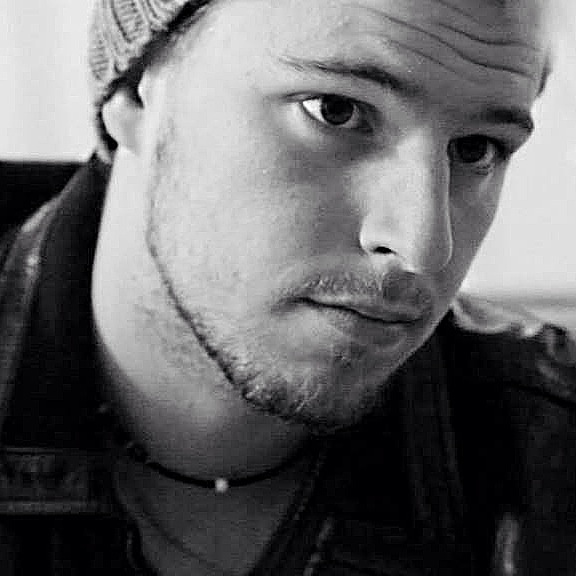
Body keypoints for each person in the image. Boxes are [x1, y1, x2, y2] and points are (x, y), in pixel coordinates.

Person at [0, 0, 574, 574]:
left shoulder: (550, 444)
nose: (421, 246)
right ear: (134, 97)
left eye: (477, 148)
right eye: (336, 111)